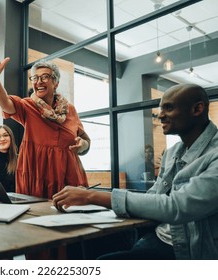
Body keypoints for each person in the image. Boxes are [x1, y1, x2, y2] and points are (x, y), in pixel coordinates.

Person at [53, 83, 218, 260]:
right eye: (161, 109)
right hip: (153, 233)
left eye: (168, 108)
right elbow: (154, 196)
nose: (160, 116)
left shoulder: (214, 154)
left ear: (197, 109)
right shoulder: (173, 152)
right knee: (76, 244)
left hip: (185, 250)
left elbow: (176, 207)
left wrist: (91, 196)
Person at [0, 40, 91, 199]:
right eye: (34, 78)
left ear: (55, 82)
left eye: (45, 77)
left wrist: (83, 145)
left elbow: (85, 142)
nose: (38, 82)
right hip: (37, 178)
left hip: (69, 178)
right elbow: (5, 103)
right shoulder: (28, 107)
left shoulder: (70, 109)